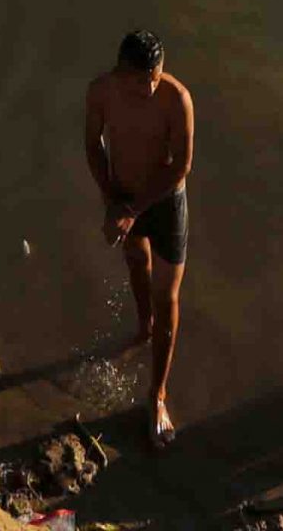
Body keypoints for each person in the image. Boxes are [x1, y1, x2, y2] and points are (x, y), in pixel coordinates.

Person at [83, 29, 195, 448]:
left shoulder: (175, 99)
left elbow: (181, 165)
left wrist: (132, 211)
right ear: (121, 73)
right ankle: (142, 327)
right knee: (135, 264)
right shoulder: (101, 92)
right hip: (124, 194)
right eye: (141, 79)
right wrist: (113, 201)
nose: (150, 86)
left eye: (156, 75)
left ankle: (157, 394)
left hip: (163, 201)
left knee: (169, 298)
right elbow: (93, 145)